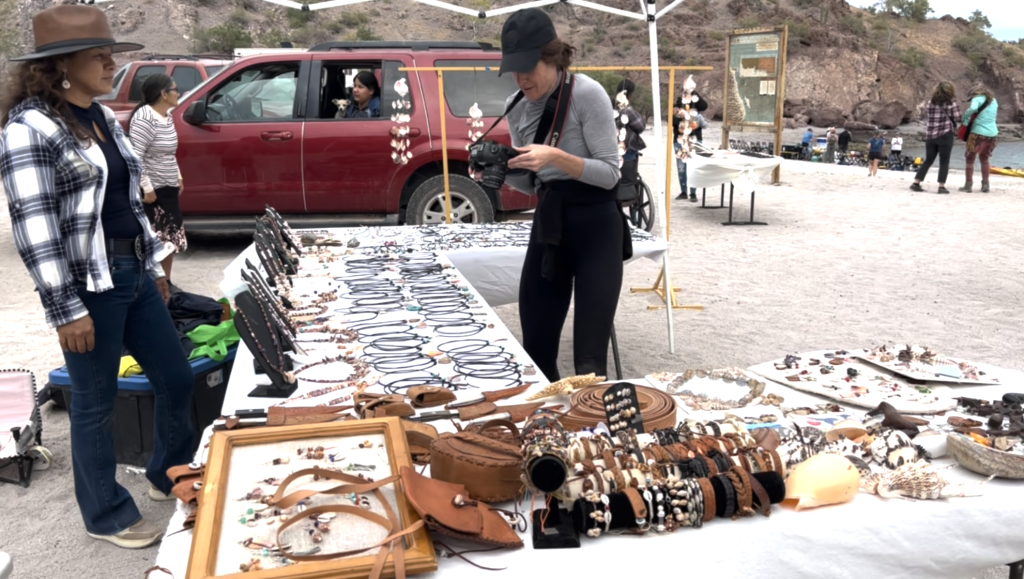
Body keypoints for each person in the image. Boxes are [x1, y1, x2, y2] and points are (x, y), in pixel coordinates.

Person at [0, 5, 194, 549]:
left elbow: (129, 200)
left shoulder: (102, 117)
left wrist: (154, 264)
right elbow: (33, 228)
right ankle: (105, 514)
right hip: (89, 284)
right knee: (94, 401)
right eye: (99, 55)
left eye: (111, 53)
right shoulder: (29, 128)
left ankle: (168, 474)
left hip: (133, 268)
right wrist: (65, 309)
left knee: (177, 378)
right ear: (61, 64)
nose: (112, 63)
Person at [488, 8, 622, 380]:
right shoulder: (513, 106)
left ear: (552, 56)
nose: (520, 78)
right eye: (513, 69)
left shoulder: (587, 94)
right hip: (550, 226)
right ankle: (547, 431)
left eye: (528, 67)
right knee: (536, 348)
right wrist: (500, 173)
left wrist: (556, 157)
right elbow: (533, 184)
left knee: (589, 363)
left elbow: (611, 174)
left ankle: (593, 433)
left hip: (596, 226)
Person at [129, 73, 185, 282]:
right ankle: (154, 283)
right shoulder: (144, 119)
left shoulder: (166, 116)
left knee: (169, 238)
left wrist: (178, 175)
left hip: (168, 187)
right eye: (175, 89)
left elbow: (168, 151)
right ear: (163, 94)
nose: (178, 93)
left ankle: (167, 282)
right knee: (157, 239)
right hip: (153, 192)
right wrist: (147, 188)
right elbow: (136, 156)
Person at [910, 81, 961, 194]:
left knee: (928, 160)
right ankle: (941, 186)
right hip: (945, 134)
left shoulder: (930, 103)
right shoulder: (951, 103)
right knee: (944, 162)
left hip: (930, 135)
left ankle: (916, 182)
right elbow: (958, 117)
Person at [959, 84, 999, 193]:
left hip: (978, 133)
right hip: (992, 133)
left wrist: (965, 118)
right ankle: (985, 185)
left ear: (974, 94)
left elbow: (973, 108)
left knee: (970, 158)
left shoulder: (977, 99)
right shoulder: (994, 101)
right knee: (984, 159)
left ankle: (968, 185)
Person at [614, 79, 646, 205]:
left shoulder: (607, 105)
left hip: (608, 149)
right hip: (626, 150)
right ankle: (627, 192)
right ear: (630, 93)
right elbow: (640, 126)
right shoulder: (628, 109)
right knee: (628, 170)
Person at [673, 93, 707, 202]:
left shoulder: (696, 104)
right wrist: (681, 115)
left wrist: (694, 95)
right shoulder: (678, 104)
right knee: (681, 167)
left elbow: (704, 106)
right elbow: (672, 121)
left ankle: (693, 193)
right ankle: (683, 191)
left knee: (694, 166)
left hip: (695, 139)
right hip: (680, 139)